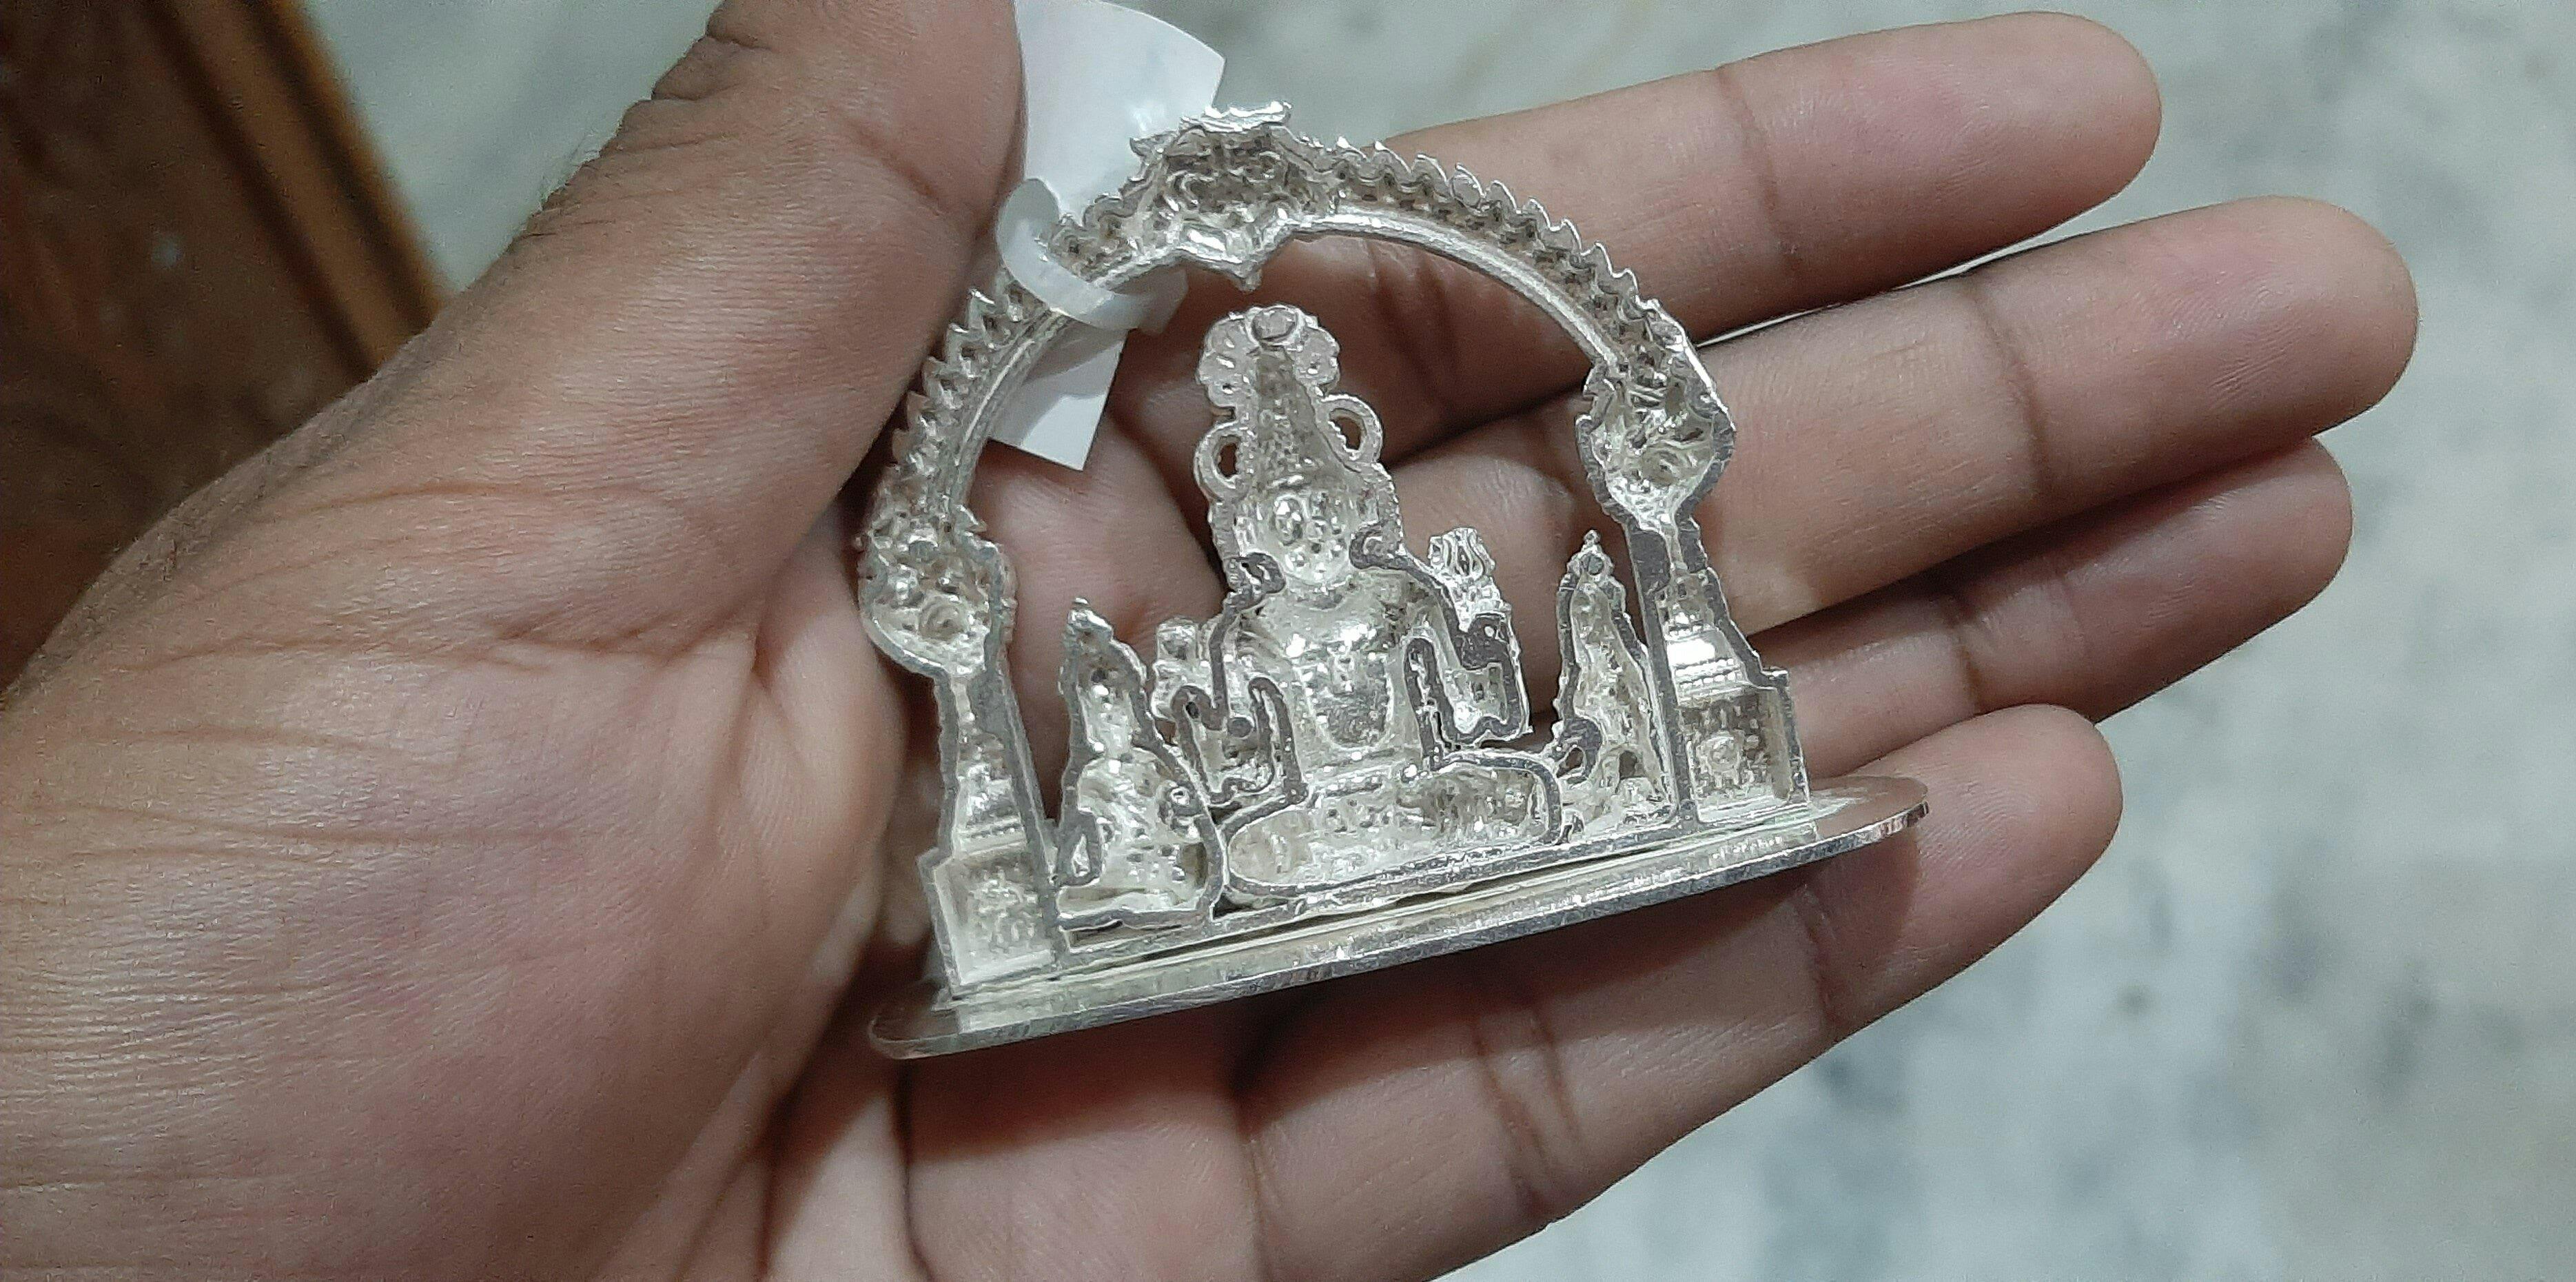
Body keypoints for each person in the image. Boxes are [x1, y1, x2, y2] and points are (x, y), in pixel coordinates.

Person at [0, 5, 2415, 1278]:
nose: (1300, 487)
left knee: (1473, 715)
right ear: (1252, 491)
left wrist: (1455, 635)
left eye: (1313, 461)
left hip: (1420, 745)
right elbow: (1208, 689)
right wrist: (1208, 691)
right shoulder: (1240, 584)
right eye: (1277, 476)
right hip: (1273, 788)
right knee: (1252, 783)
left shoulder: (1401, 548)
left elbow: (1454, 639)